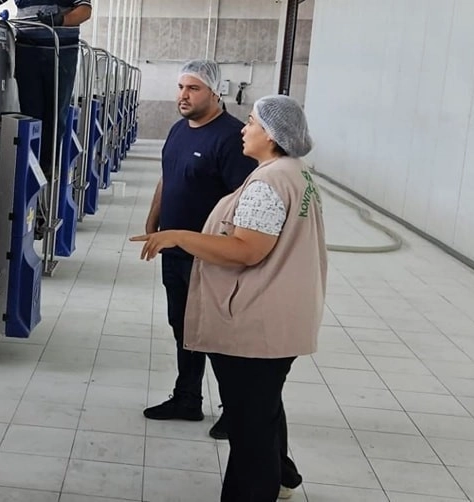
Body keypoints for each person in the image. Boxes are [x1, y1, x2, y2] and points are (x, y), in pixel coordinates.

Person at [132, 94, 326, 501]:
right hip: (284, 315)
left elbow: (246, 250)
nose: (243, 129)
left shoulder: (267, 183)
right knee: (262, 408)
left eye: (251, 122)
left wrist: (179, 237)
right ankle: (282, 477)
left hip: (257, 323)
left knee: (249, 428)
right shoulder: (296, 173)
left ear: (271, 135)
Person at [142, 60, 256, 441]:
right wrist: (153, 219)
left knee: (217, 334)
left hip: (210, 257)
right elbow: (168, 177)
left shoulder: (232, 139)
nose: (183, 96)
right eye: (180, 88)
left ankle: (237, 411)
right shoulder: (178, 130)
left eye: (193, 89)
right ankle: (187, 397)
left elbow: (243, 202)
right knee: (184, 327)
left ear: (215, 92)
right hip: (175, 251)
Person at [0, 0, 92, 234]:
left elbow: (85, 11)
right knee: (30, 121)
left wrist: (60, 20)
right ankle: (28, 191)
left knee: (54, 121)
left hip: (60, 50)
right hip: (27, 48)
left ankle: (45, 190)